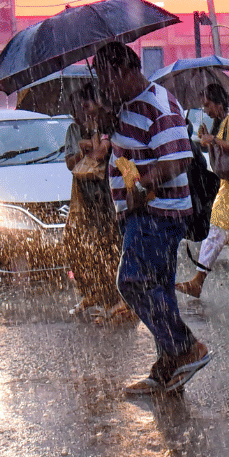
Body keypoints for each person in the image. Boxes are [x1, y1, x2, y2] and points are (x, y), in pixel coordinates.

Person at [93, 42, 212, 395]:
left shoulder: (159, 103)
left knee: (133, 281)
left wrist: (142, 186)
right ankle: (168, 369)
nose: (104, 86)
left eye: (108, 78)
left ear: (127, 70)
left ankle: (186, 347)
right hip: (138, 212)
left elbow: (178, 158)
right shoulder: (124, 106)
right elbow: (123, 152)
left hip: (157, 212)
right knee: (158, 289)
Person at [175, 83, 229, 299]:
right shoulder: (225, 121)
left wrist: (213, 140)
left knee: (217, 232)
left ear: (218, 103)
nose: (205, 110)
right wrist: (209, 139)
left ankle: (198, 281)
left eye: (207, 105)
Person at [62, 83, 132, 325]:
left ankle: (118, 300)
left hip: (109, 195)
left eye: (86, 106)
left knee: (111, 245)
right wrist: (84, 150)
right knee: (85, 246)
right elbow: (72, 163)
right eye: (79, 108)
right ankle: (98, 294)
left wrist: (93, 143)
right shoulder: (78, 129)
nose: (83, 111)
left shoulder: (107, 125)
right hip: (87, 196)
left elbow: (101, 153)